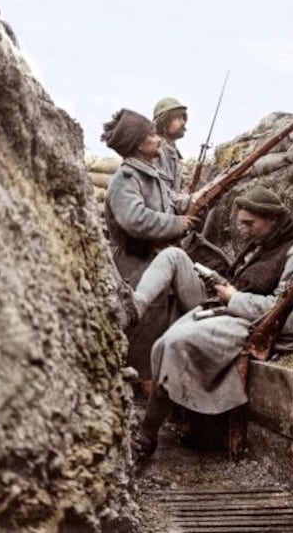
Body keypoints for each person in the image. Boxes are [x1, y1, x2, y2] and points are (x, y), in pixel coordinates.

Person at [130, 186, 293, 458]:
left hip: (250, 323)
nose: (243, 230)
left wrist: (234, 298)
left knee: (172, 342)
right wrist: (223, 286)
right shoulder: (266, 241)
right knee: (173, 261)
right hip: (228, 306)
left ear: (272, 219)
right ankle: (136, 305)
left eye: (249, 223)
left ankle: (148, 434)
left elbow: (279, 309)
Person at [101, 108, 198, 382]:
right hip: (135, 269)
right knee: (141, 342)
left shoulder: (149, 174)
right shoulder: (125, 179)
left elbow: (169, 203)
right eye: (152, 135)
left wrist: (197, 200)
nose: (158, 139)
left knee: (159, 337)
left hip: (154, 265)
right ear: (139, 144)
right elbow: (136, 219)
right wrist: (177, 223)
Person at [152, 97, 187, 192]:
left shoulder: (175, 155)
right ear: (164, 122)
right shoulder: (154, 151)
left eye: (183, 118)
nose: (183, 122)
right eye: (179, 118)